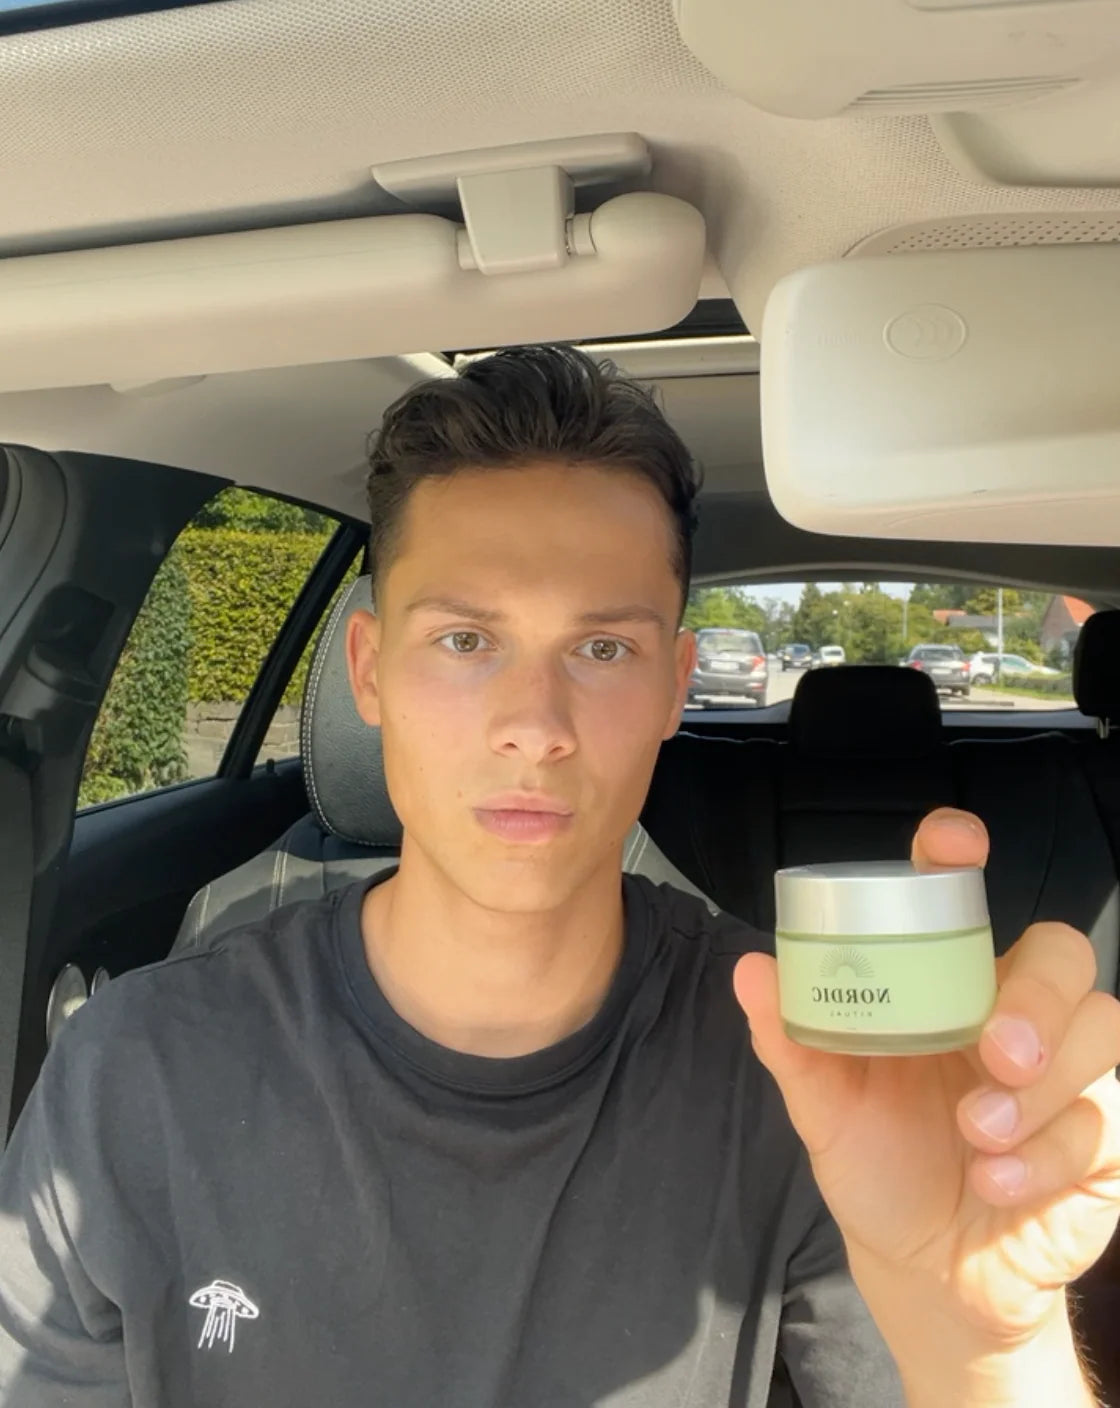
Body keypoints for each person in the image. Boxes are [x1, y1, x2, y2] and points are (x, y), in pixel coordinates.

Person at [0, 345, 1118, 1408]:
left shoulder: (816, 1083)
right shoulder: (132, 1075)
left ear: (675, 684)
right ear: (371, 670)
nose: (534, 725)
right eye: (465, 641)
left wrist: (988, 1343)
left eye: (602, 648)